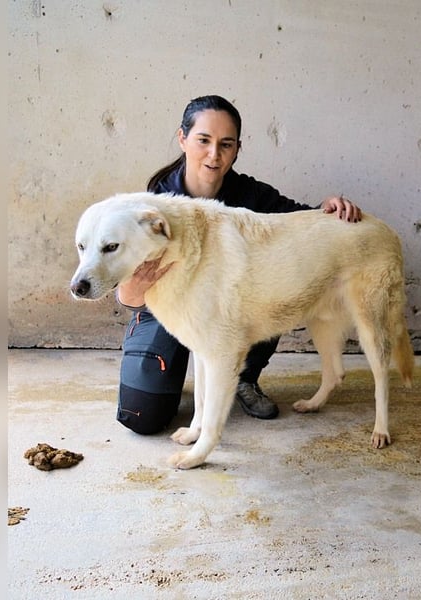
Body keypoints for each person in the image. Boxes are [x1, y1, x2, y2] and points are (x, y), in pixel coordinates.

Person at [115, 95, 362, 435]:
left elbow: (303, 225)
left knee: (272, 278)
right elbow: (129, 297)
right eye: (204, 140)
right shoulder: (156, 205)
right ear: (183, 138)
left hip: (230, 315)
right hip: (165, 313)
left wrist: (328, 208)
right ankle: (182, 379)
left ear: (237, 149)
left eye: (225, 144)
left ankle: (242, 376)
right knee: (142, 417)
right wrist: (137, 289)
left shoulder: (252, 196)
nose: (214, 155)